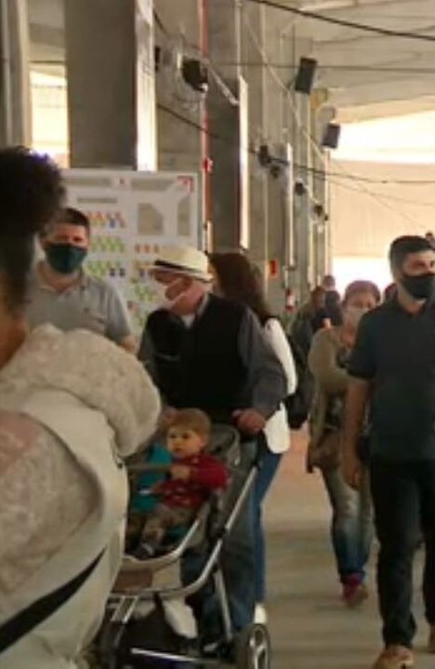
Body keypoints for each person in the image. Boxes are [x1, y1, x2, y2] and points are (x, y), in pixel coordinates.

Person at [0, 146, 160, 666]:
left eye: (77, 242)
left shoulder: (30, 442)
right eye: (60, 241)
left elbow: (127, 343)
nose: (70, 249)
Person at [138, 244, 288, 637]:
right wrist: (160, 409)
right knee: (183, 532)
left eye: (164, 281)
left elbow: (271, 374)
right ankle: (196, 624)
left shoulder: (236, 319)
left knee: (232, 535)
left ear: (188, 284)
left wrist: (259, 410)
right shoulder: (158, 326)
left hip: (230, 440)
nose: (158, 289)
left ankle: (237, 625)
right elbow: (146, 378)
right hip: (180, 443)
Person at [340, 236, 435, 669]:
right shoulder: (375, 325)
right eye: (418, 266)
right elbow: (359, 387)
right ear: (396, 272)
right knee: (396, 546)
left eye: (433, 264)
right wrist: (349, 448)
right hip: (391, 451)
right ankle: (397, 638)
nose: (429, 273)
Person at [207, 252, 299, 620]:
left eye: (212, 276)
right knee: (230, 516)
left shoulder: (265, 324)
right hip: (223, 436)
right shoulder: (212, 324)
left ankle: (252, 596)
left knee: (245, 515)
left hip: (261, 438)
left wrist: (255, 405)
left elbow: (287, 380)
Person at [307, 280, 381, 607]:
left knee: (368, 510)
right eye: (357, 303)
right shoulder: (326, 339)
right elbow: (326, 377)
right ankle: (351, 574)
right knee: (347, 507)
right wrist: (368, 380)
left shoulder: (384, 341)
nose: (363, 309)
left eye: (370, 303)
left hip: (377, 435)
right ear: (344, 305)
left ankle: (359, 567)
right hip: (336, 436)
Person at [25, 207, 136, 351]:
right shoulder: (16, 288)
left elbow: (126, 345)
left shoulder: (105, 293)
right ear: (44, 242)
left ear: (87, 245)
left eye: (77, 240)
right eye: (61, 238)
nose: (70, 245)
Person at [129, 409, 229, 559]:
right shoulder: (174, 464)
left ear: (202, 441)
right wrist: (160, 489)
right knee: (137, 516)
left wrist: (192, 474)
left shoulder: (206, 463)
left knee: (160, 512)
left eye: (185, 437)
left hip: (186, 510)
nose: (177, 441)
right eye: (172, 437)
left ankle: (148, 545)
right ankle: (126, 542)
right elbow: (173, 486)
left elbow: (220, 478)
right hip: (167, 507)